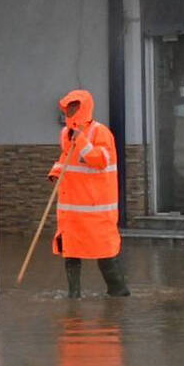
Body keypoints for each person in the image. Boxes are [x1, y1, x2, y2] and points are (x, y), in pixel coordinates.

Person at [48, 89, 130, 298]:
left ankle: (118, 292)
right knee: (71, 252)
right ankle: (73, 295)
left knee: (105, 252)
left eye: (74, 107)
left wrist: (81, 140)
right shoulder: (65, 133)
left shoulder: (100, 132)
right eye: (68, 108)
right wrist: (55, 172)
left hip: (96, 209)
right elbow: (66, 158)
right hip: (72, 207)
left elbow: (100, 161)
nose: (70, 111)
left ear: (84, 108)